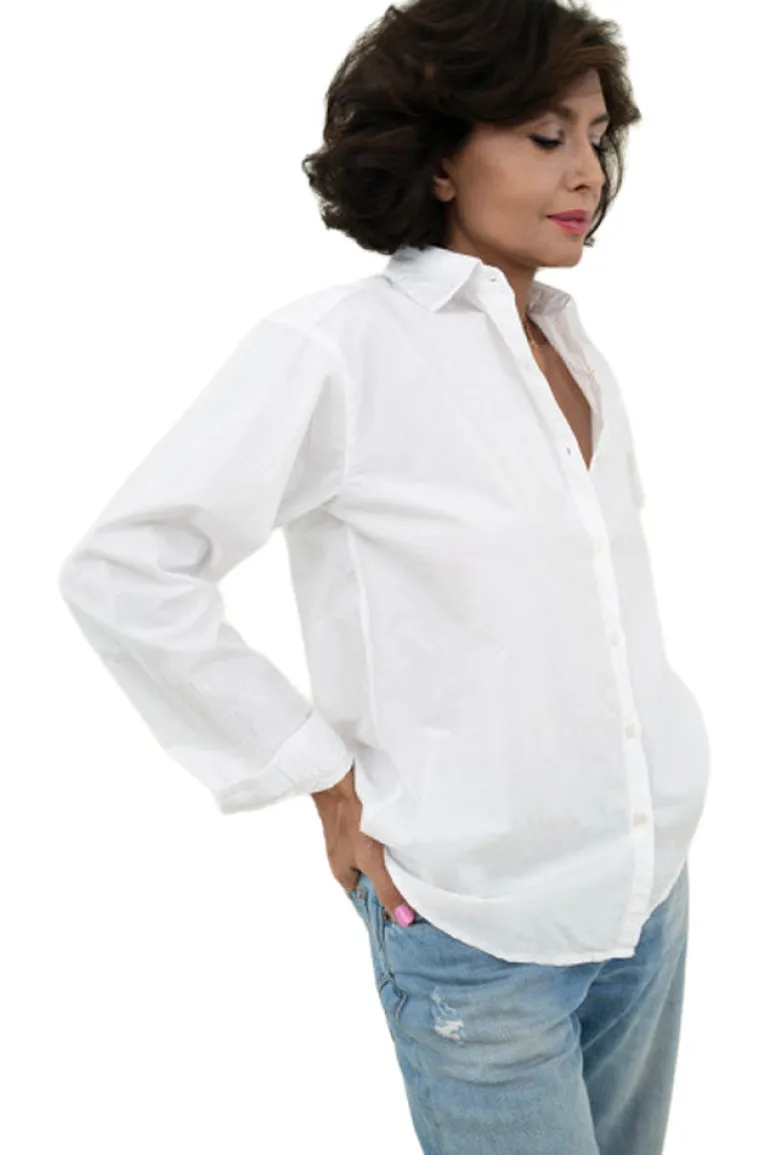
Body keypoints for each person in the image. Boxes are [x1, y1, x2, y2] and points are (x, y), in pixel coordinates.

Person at [58, 1, 711, 1152]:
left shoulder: (570, 341)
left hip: (643, 890)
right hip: (471, 923)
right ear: (441, 158)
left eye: (596, 136)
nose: (586, 171)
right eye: (543, 136)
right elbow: (127, 566)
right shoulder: (338, 349)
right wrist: (315, 772)